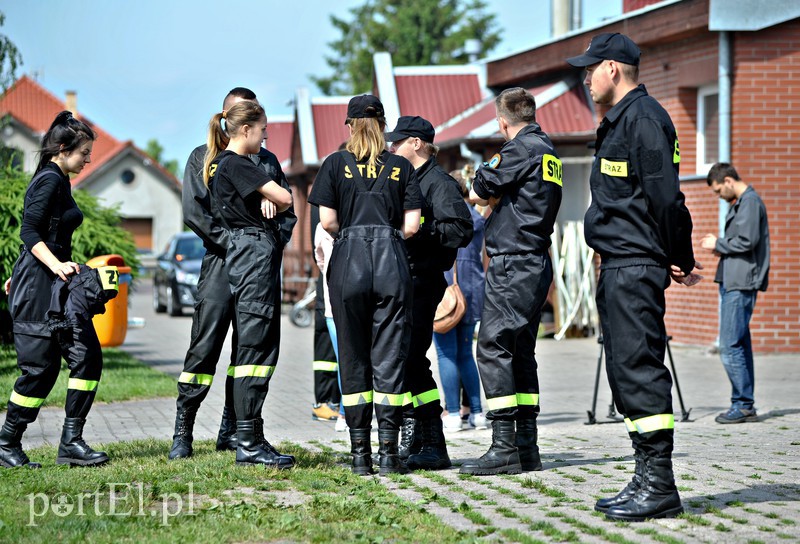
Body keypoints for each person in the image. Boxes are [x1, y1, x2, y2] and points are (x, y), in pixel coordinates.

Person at [567, 32, 703, 521]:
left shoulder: (645, 121)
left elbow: (667, 199)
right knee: (625, 372)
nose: (584, 77)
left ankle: (660, 485)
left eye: (589, 68)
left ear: (613, 69)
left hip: (633, 266)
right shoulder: (620, 121)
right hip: (620, 264)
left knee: (640, 370)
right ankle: (645, 475)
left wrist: (679, 256)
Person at [169, 87, 296, 460]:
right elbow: (197, 214)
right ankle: (183, 432)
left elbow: (287, 212)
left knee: (249, 347)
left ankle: (233, 430)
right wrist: (236, 243)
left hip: (258, 261)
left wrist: (268, 241)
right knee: (204, 347)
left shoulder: (266, 159)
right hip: (221, 264)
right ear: (227, 116)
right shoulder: (202, 158)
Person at [308, 95, 422, 476]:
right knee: (389, 357)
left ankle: (360, 455)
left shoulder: (334, 164)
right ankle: (389, 453)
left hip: (349, 262)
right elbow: (411, 227)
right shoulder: (401, 165)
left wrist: (355, 235)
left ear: (350, 125)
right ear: (383, 125)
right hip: (392, 260)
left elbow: (326, 222)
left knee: (353, 356)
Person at [459, 88, 562, 478]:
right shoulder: (548, 150)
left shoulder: (519, 150)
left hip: (513, 263)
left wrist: (485, 177)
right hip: (535, 261)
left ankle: (503, 447)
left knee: (492, 345)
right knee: (520, 350)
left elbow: (480, 190)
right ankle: (526, 446)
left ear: (502, 122)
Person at [1, 111, 111, 468]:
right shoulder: (49, 180)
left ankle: (71, 442)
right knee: (40, 370)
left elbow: (44, 235)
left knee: (87, 357)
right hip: (39, 288)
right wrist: (53, 266)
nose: (88, 160)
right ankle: (7, 443)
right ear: (63, 149)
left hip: (50, 283)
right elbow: (29, 233)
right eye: (84, 153)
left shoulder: (58, 179)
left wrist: (56, 264)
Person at [204, 100, 295, 468]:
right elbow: (286, 198)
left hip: (248, 252)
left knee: (256, 349)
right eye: (262, 130)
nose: (265, 135)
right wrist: (265, 192)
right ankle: (248, 442)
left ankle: (252, 435)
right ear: (246, 131)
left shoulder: (223, 164)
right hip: (253, 253)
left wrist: (261, 194)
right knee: (255, 350)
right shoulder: (237, 163)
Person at [386, 116, 473, 471]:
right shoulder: (409, 180)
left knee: (410, 358)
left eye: (398, 142)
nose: (391, 148)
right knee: (407, 360)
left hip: (424, 282)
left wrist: (419, 228)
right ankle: (422, 437)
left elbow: (460, 230)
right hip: (404, 280)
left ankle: (433, 442)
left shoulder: (438, 183)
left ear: (417, 144)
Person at [701, 162, 770, 424]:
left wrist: (716, 243)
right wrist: (723, 247)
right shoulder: (743, 203)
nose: (718, 196)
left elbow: (748, 240)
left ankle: (742, 404)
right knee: (739, 344)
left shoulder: (749, 202)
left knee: (730, 346)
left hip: (741, 284)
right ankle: (744, 404)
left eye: (718, 191)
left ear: (728, 181)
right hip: (735, 280)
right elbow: (743, 242)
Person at [433, 166, 487, 433]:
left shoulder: (444, 215)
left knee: (445, 355)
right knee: (467, 354)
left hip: (445, 290)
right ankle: (477, 413)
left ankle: (453, 412)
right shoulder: (477, 219)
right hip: (473, 288)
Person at [313, 220, 348, 432]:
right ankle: (346, 412)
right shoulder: (358, 218)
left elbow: (321, 261)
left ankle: (345, 415)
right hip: (342, 307)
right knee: (354, 361)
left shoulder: (321, 228)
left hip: (333, 304)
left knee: (345, 362)